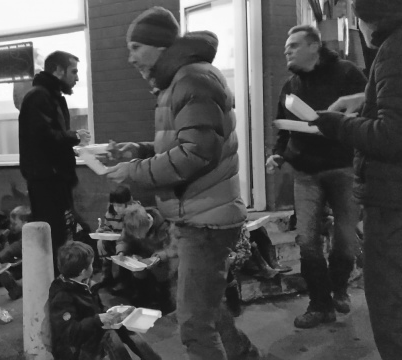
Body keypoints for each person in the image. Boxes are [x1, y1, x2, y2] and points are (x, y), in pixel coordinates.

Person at [105, 7, 259, 359]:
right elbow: (187, 144)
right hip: (198, 214)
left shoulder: (191, 81)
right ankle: (245, 355)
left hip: (205, 221)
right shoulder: (182, 80)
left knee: (192, 323)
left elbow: (196, 153)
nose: (130, 58)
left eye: (135, 48)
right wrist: (141, 150)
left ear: (159, 46)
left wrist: (135, 170)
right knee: (207, 305)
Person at [311, 0, 402, 357]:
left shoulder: (400, 46)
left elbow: (398, 135)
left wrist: (340, 125)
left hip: (398, 206)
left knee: (397, 314)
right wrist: (366, 99)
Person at [265, 24, 367, 328]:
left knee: (346, 240)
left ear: (314, 46)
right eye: (286, 46)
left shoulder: (347, 73)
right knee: (307, 240)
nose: (287, 50)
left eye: (294, 45)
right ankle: (319, 304)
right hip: (306, 173)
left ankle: (338, 290)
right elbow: (284, 127)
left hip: (344, 169)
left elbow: (370, 104)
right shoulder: (290, 86)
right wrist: (278, 153)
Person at [18, 50, 91, 273]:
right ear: (58, 70)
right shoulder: (39, 97)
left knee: (60, 231)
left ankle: (59, 280)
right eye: (73, 71)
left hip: (53, 177)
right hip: (46, 179)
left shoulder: (49, 96)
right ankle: (54, 283)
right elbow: (44, 137)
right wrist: (74, 136)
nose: (77, 78)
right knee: (53, 233)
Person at [48, 241, 161, 360]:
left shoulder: (84, 284)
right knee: (109, 336)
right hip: (75, 349)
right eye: (91, 264)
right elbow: (70, 334)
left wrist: (115, 314)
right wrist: (98, 319)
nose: (93, 266)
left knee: (126, 328)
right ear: (83, 271)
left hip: (91, 329)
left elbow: (96, 309)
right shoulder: (63, 296)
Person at [117, 204, 176, 314]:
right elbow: (123, 240)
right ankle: (142, 299)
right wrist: (121, 251)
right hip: (142, 256)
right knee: (138, 271)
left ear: (147, 223)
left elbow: (172, 248)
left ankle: (165, 301)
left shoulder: (165, 224)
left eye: (139, 232)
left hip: (162, 260)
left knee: (162, 272)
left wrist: (158, 257)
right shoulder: (131, 223)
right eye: (134, 233)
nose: (137, 236)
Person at [96, 185, 138, 289]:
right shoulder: (110, 214)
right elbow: (108, 227)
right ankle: (106, 275)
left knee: (123, 250)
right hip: (114, 241)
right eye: (114, 205)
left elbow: (130, 235)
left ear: (127, 203)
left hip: (128, 241)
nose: (116, 209)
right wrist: (103, 231)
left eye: (119, 205)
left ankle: (123, 279)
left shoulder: (132, 214)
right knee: (101, 243)